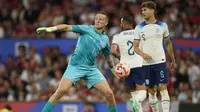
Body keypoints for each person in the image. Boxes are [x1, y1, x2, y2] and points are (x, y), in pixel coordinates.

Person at [36, 11, 118, 112]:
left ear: (106, 23)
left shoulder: (105, 39)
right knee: (61, 91)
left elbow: (108, 56)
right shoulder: (86, 29)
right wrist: (50, 29)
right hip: (75, 67)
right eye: (96, 18)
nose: (98, 21)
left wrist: (113, 69)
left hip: (91, 69)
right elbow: (66, 27)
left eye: (101, 19)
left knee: (109, 93)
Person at [133, 1, 176, 112]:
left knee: (163, 88)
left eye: (145, 10)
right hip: (146, 64)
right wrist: (143, 54)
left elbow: (168, 43)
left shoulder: (162, 25)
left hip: (160, 62)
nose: (143, 12)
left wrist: (173, 58)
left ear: (152, 10)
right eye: (142, 10)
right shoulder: (138, 27)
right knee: (151, 91)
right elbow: (135, 47)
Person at [111, 16, 146, 112]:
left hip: (125, 68)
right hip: (138, 63)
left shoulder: (117, 36)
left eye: (121, 23)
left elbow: (113, 51)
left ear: (124, 24)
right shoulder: (139, 33)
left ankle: (136, 104)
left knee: (134, 92)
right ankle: (136, 100)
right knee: (142, 91)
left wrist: (120, 58)